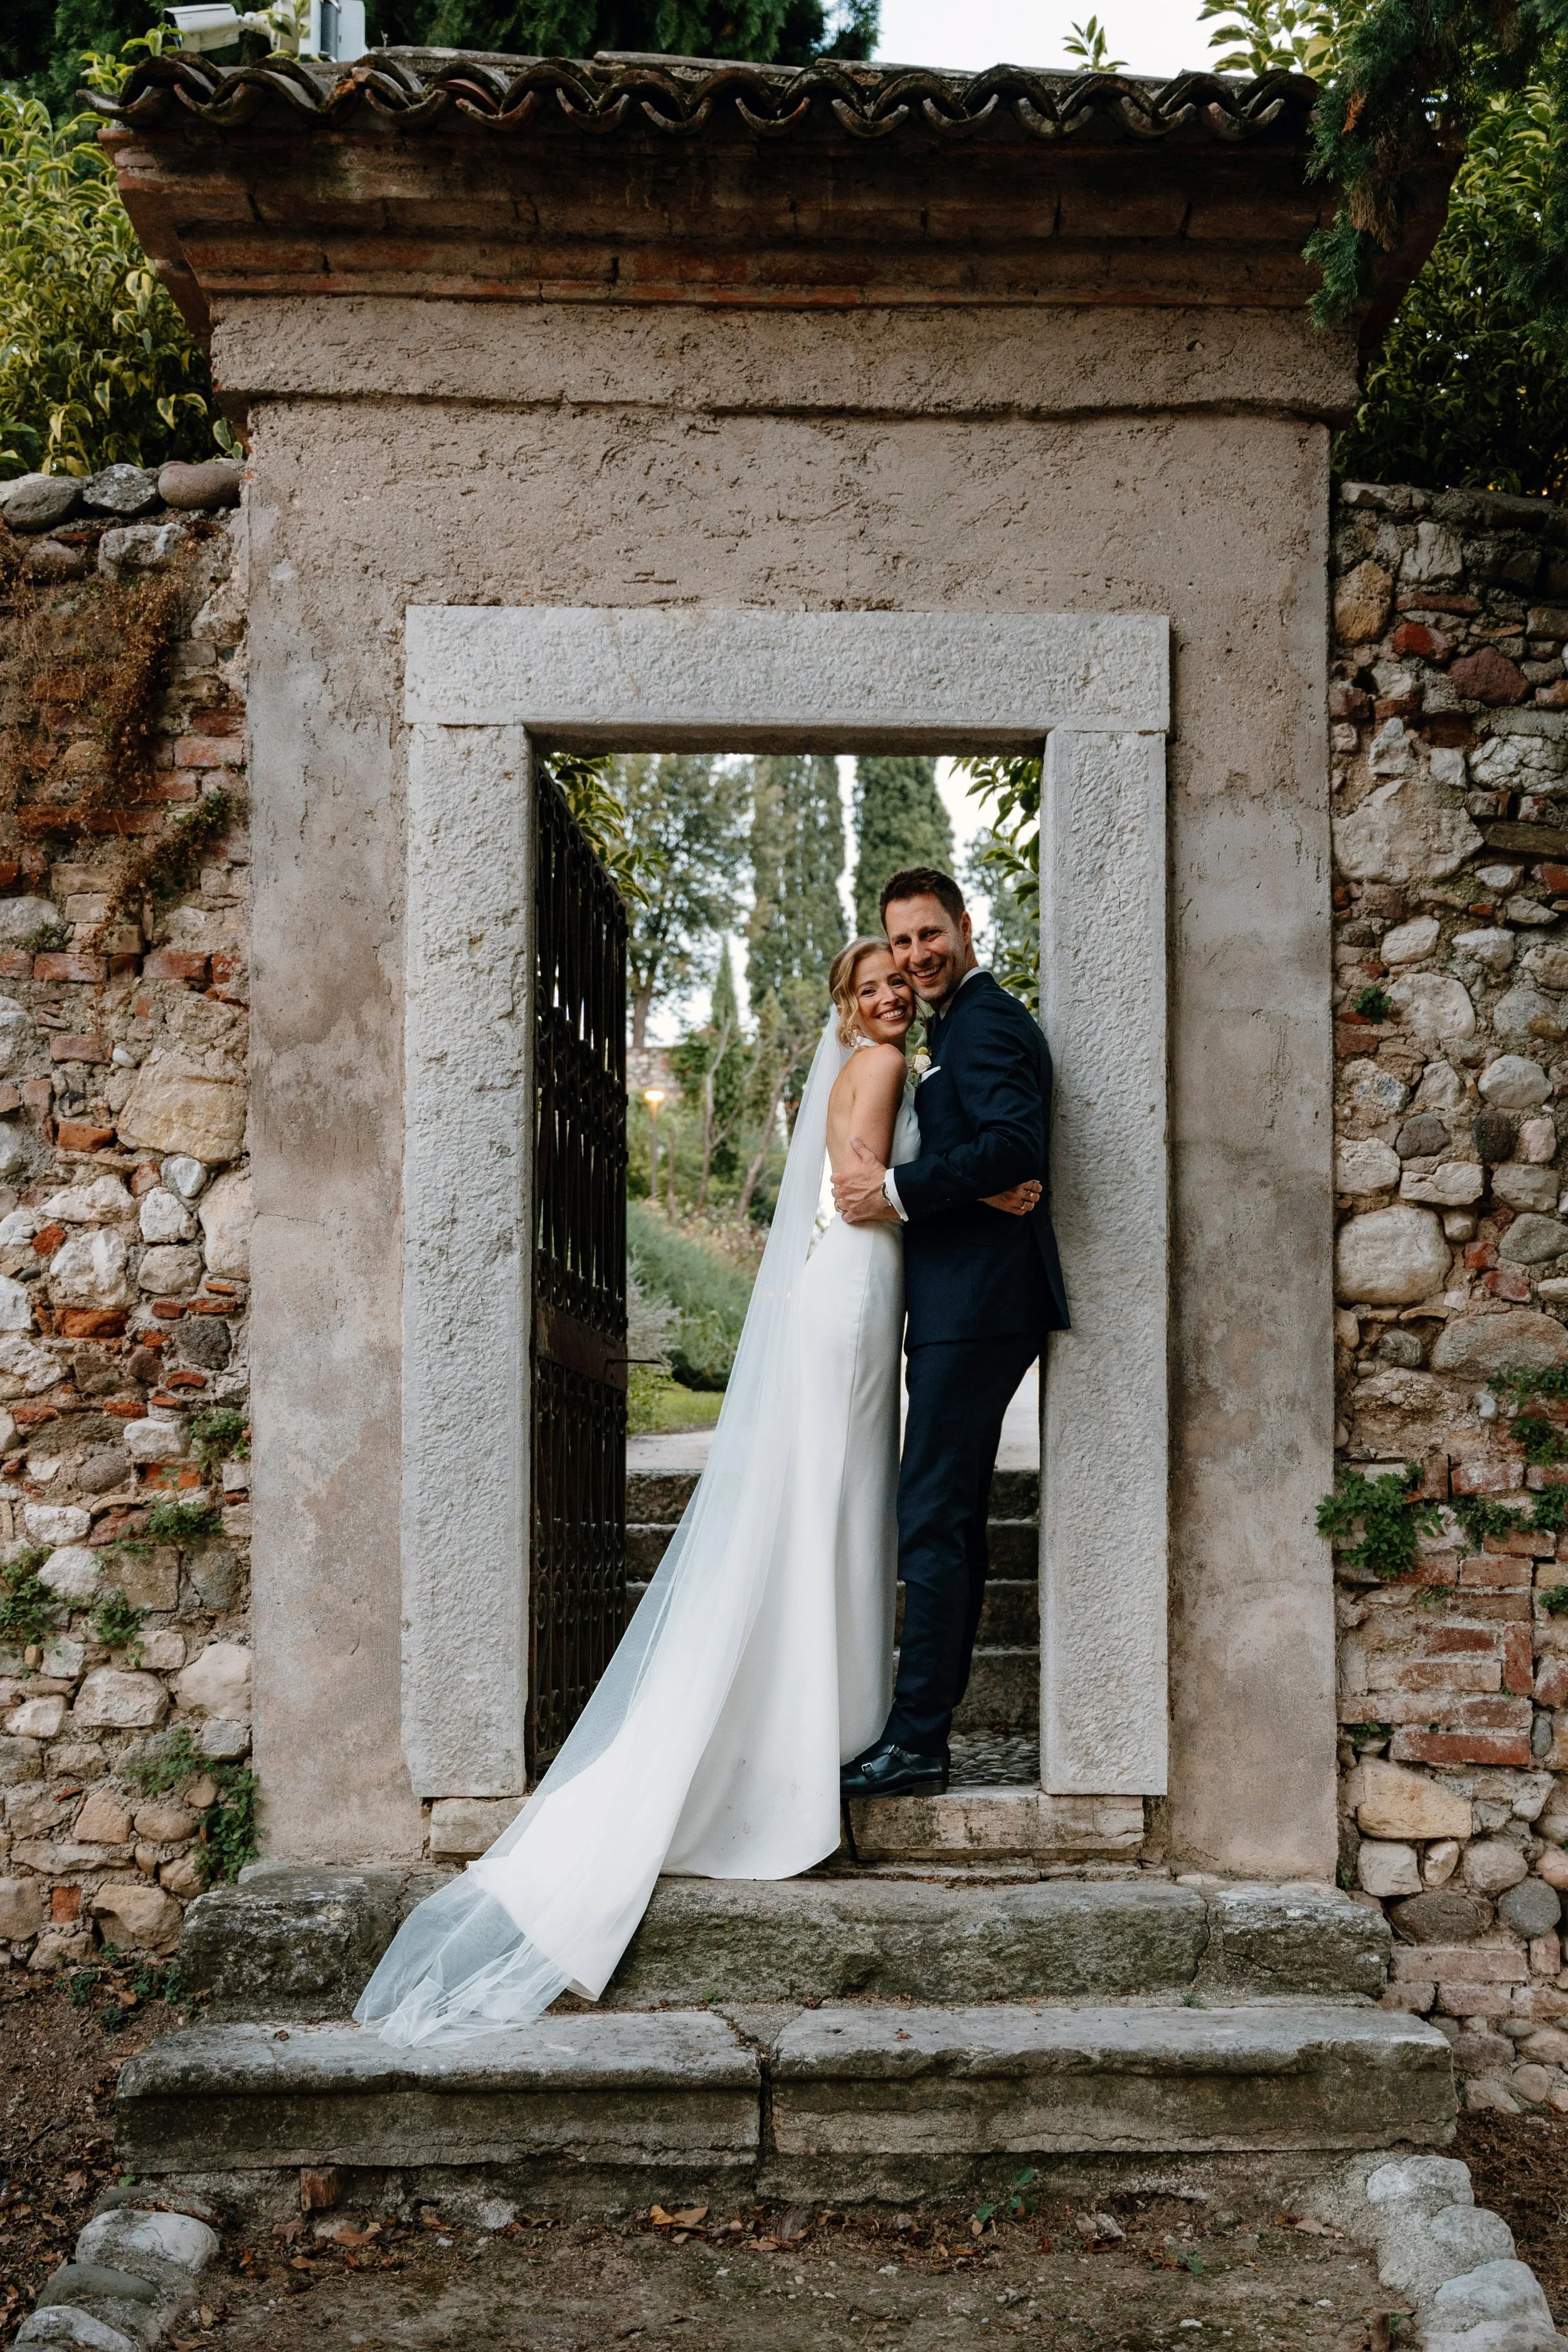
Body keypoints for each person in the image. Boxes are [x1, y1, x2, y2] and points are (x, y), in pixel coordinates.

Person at [354, 924, 1047, 2047]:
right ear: (846, 1000)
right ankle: (810, 1721)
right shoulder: (876, 1068)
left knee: (827, 1504)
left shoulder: (894, 1062)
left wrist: (974, 1195)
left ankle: (823, 1708)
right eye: (870, 984)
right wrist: (981, 1196)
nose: (890, 998)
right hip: (857, 1293)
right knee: (823, 1504)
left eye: (897, 983)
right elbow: (863, 1191)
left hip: (864, 1292)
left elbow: (890, 1187)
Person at [835, 867, 1069, 1802]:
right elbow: (988, 1153)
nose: (916, 955)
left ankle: (917, 1741)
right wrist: (968, 1180)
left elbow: (1017, 1142)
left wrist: (895, 1190)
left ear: (965, 928)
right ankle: (920, 1734)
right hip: (960, 1305)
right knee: (945, 1518)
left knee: (932, 1516)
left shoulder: (988, 1022)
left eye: (930, 935)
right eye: (901, 942)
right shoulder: (951, 1030)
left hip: (977, 1308)